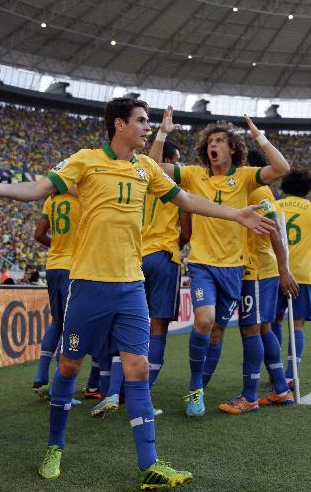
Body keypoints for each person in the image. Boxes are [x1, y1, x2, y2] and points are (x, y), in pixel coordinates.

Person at [0, 96, 275, 488]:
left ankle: (150, 463)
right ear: (119, 124)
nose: (147, 127)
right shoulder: (86, 160)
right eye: (141, 121)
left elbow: (185, 199)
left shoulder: (146, 167)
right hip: (88, 285)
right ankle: (55, 446)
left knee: (137, 369)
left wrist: (236, 213)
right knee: (70, 366)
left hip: (131, 287)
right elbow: (39, 187)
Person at [150, 105, 290, 418]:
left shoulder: (245, 178)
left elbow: (281, 168)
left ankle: (198, 387)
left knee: (216, 332)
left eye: (220, 141)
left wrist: (259, 136)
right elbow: (152, 166)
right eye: (210, 141)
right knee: (203, 320)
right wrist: (162, 132)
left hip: (234, 268)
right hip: (201, 264)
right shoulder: (193, 175)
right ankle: (196, 385)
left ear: (232, 148)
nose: (214, 145)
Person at [91, 140, 192, 417]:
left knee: (123, 325)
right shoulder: (176, 189)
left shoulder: (138, 181)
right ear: (169, 161)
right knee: (158, 327)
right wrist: (174, 242)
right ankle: (142, 396)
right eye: (177, 160)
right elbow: (187, 232)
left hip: (134, 258)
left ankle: (111, 391)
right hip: (163, 257)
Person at [218, 150, 298, 415]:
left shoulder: (257, 190)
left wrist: (284, 269)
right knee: (263, 328)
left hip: (257, 269)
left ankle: (249, 397)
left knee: (251, 329)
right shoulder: (252, 189)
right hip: (257, 267)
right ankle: (280, 389)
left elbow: (274, 229)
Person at [272, 169, 311, 392]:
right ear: (309, 188)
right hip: (304, 275)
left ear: (285, 186)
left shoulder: (275, 206)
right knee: (297, 325)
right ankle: (291, 374)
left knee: (273, 322)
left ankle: (275, 371)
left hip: (276, 272)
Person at [31, 189, 82, 399]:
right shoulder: (85, 197)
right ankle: (58, 388)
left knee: (56, 321)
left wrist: (59, 247)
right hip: (75, 267)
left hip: (53, 266)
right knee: (71, 325)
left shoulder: (52, 199)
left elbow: (39, 235)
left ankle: (41, 373)